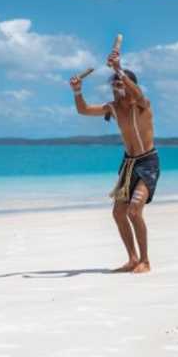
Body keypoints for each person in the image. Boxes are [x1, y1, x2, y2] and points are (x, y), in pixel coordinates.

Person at [69, 50, 159, 273]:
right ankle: (132, 259)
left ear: (129, 85)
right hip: (129, 164)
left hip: (148, 163)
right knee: (118, 213)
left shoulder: (142, 104)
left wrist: (119, 69)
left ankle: (145, 261)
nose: (116, 87)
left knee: (134, 210)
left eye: (120, 83)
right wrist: (77, 90)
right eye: (114, 84)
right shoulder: (113, 108)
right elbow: (83, 110)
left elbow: (137, 94)